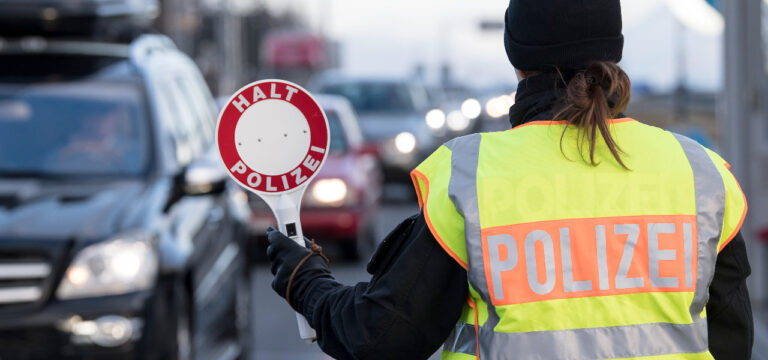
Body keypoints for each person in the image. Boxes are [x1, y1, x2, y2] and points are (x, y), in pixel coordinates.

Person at [266, 0, 754, 359]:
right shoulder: (700, 173)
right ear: (614, 54)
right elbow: (732, 341)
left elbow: (379, 337)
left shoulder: (470, 176)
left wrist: (303, 280)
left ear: (517, 58)